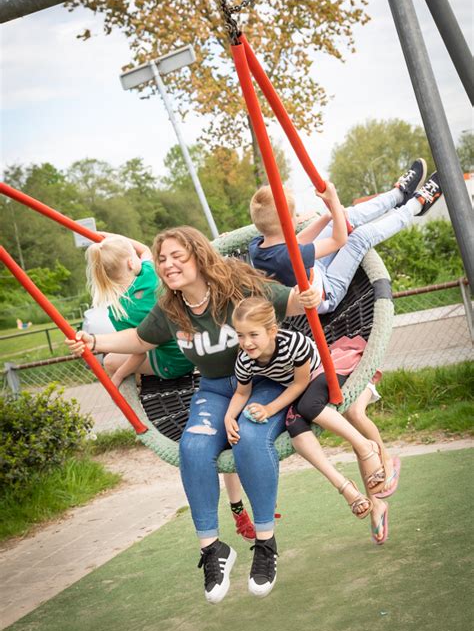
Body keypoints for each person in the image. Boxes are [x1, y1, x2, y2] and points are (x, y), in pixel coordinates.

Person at [66, 225, 323, 603]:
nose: (168, 265)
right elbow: (139, 339)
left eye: (177, 256)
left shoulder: (236, 284)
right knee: (194, 448)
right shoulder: (171, 306)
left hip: (264, 381)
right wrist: (94, 341)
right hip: (218, 387)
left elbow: (292, 302)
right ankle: (213, 549)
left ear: (198, 256)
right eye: (163, 258)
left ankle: (266, 544)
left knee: (250, 440)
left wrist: (311, 293)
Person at [85, 232, 255, 543]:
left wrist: (117, 378)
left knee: (111, 361)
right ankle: (238, 508)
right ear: (133, 262)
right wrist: (111, 240)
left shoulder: (118, 308)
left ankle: (135, 383)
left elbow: (138, 348)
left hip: (169, 364)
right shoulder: (153, 272)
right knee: (225, 444)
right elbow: (140, 246)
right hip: (196, 354)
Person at [225, 297, 389, 544]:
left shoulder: (293, 343)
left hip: (326, 369)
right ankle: (346, 488)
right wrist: (229, 416)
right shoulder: (245, 359)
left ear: (272, 331)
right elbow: (242, 392)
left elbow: (301, 382)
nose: (246, 343)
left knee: (308, 406)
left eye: (253, 334)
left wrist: (269, 409)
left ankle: (366, 447)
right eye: (240, 335)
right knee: (294, 424)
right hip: (300, 388)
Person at [249, 161, 442, 314]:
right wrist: (333, 201)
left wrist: (328, 216)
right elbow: (338, 241)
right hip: (326, 292)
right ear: (287, 224)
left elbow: (297, 242)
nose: (298, 218)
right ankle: (416, 205)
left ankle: (399, 195)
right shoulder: (288, 258)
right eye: (295, 216)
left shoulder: (257, 246)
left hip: (313, 269)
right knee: (360, 237)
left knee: (343, 216)